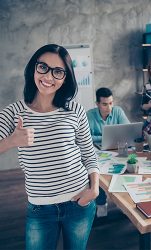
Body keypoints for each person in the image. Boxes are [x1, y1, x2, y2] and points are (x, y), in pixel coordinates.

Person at [0, 44, 99, 250]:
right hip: (40, 209)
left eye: (58, 71)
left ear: (65, 78)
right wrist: (10, 141)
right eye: (43, 67)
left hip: (79, 202)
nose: (49, 76)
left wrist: (94, 189)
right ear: (33, 69)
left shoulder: (75, 110)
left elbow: (89, 154)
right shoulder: (14, 112)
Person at [87, 87, 130, 217]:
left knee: (126, 170)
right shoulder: (89, 114)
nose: (109, 107)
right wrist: (106, 136)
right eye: (105, 104)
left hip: (117, 150)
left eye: (111, 103)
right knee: (98, 174)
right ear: (98, 104)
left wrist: (99, 136)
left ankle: (124, 202)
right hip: (97, 151)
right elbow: (86, 137)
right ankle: (101, 203)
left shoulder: (118, 111)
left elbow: (127, 131)